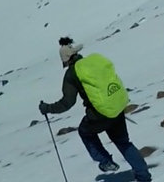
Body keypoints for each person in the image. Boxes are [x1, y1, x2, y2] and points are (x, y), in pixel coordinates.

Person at [39, 37, 152, 182]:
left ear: (66, 60)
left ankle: (105, 161)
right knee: (123, 142)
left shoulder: (72, 73)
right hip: (116, 106)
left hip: (99, 113)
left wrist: (46, 108)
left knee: (85, 131)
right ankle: (144, 177)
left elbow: (67, 103)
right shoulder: (95, 61)